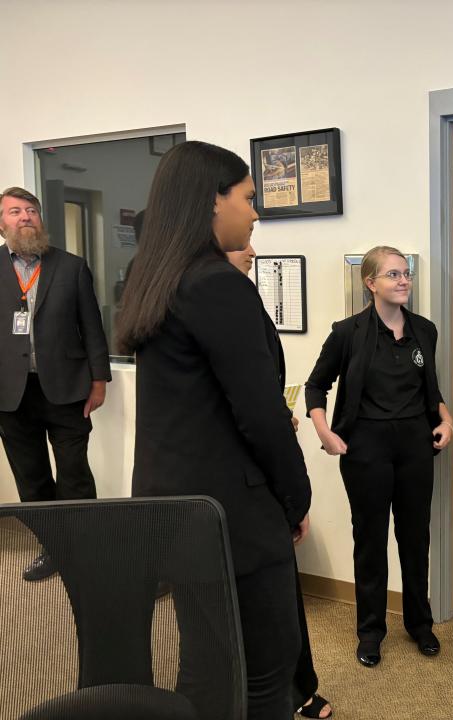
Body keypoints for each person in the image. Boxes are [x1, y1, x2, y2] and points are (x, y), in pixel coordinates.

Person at [116, 140, 312, 720]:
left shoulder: (157, 276)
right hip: (231, 513)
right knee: (266, 668)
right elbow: (260, 414)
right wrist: (295, 497)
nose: (255, 214)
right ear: (212, 199)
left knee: (209, 661)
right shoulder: (214, 283)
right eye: (248, 199)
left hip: (177, 506)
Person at [305, 246, 453, 668]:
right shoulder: (348, 333)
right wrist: (325, 432)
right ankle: (370, 631)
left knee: (415, 537)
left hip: (415, 448)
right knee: (370, 541)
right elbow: (316, 386)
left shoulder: (426, 330)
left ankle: (419, 625)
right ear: (370, 283)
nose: (403, 281)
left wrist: (447, 420)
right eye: (392, 275)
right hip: (365, 448)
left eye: (406, 274)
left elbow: (433, 392)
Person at [225, 242, 333, 720]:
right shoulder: (215, 300)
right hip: (245, 481)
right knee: (266, 607)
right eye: (240, 243)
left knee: (276, 602)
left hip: (253, 470)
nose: (252, 247)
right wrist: (296, 500)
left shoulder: (231, 298)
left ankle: (298, 687)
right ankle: (290, 693)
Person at [0, 186, 111, 582]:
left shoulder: (71, 266)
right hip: (10, 396)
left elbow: (92, 328)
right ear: (2, 224)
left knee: (75, 476)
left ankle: (87, 551)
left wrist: (99, 381)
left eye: (31, 210)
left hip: (67, 388)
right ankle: (55, 549)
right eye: (15, 211)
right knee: (31, 481)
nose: (25, 217)